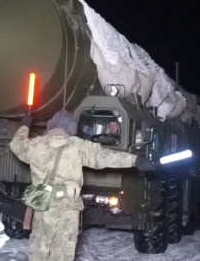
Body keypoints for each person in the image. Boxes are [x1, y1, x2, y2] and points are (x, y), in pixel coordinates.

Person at [10, 110, 155, 261]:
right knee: (63, 256)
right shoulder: (78, 146)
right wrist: (135, 160)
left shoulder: (36, 145)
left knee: (39, 252)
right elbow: (105, 157)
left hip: (43, 206)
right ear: (71, 127)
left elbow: (16, 145)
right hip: (68, 208)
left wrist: (24, 127)